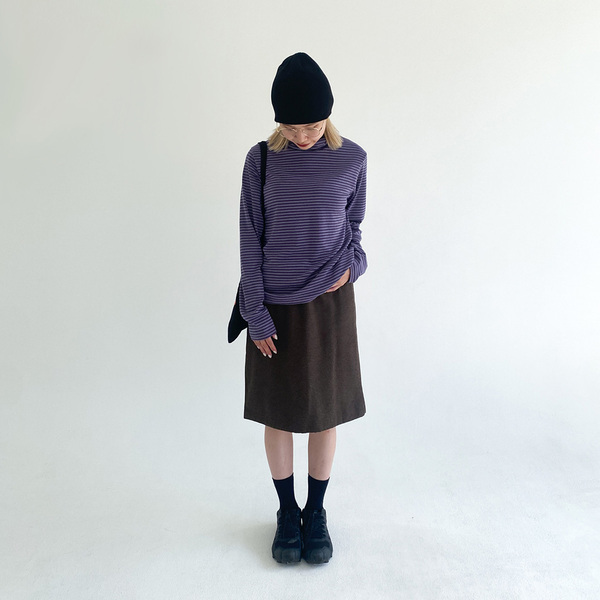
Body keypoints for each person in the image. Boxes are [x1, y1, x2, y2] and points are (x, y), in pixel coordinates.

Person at [238, 52, 368, 565]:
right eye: (291, 128)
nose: (303, 136)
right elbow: (250, 238)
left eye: (312, 126)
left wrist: (352, 268)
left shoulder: (353, 159)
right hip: (274, 305)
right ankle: (286, 511)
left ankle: (316, 512)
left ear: (328, 116)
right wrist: (255, 313)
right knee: (278, 414)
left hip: (329, 306)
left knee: (322, 413)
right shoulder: (261, 160)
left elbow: (354, 232)